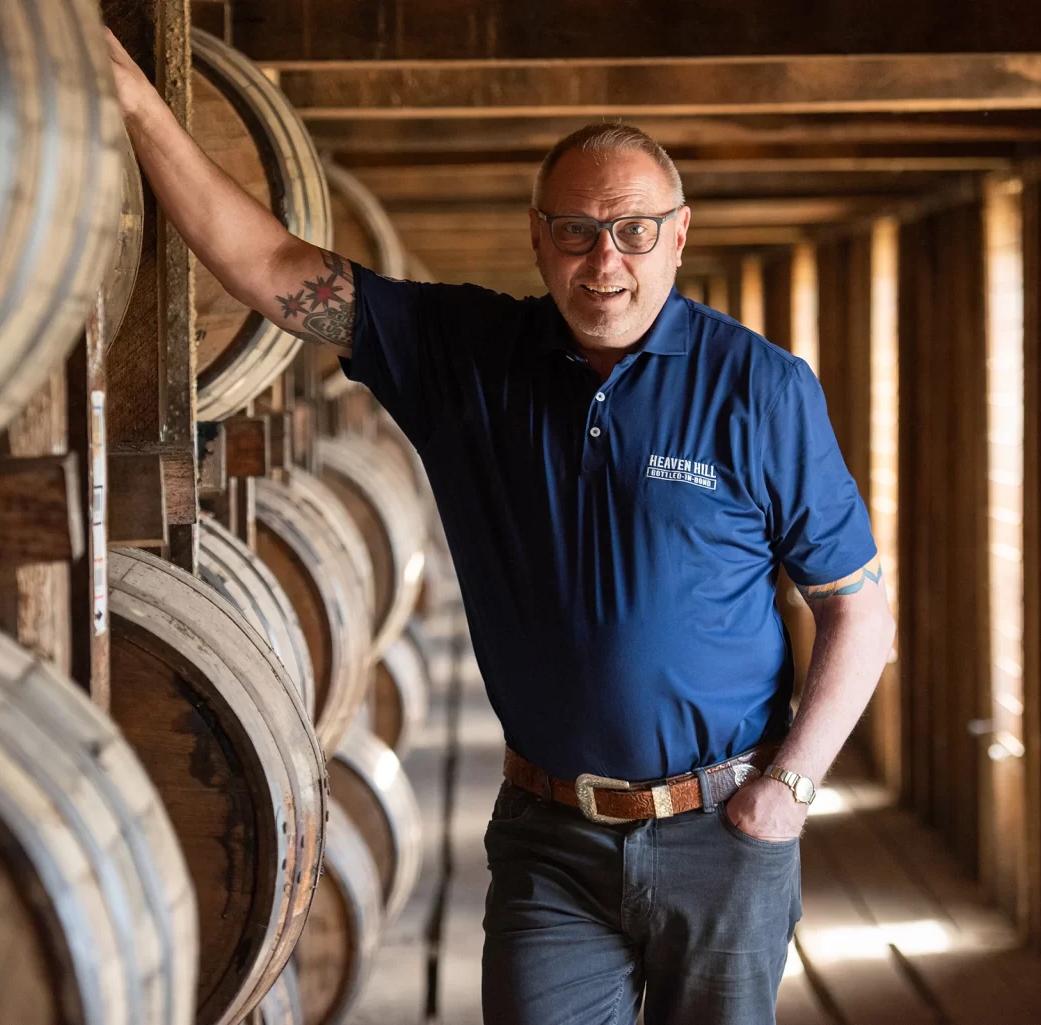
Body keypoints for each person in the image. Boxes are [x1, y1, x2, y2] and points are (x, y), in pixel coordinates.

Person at [106, 30, 896, 1025]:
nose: (604, 260)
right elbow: (267, 265)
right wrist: (137, 105)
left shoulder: (758, 388)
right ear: (536, 236)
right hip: (550, 837)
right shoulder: (468, 357)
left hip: (721, 834)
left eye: (633, 230)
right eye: (575, 230)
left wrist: (788, 787)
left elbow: (861, 614)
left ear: (680, 234)